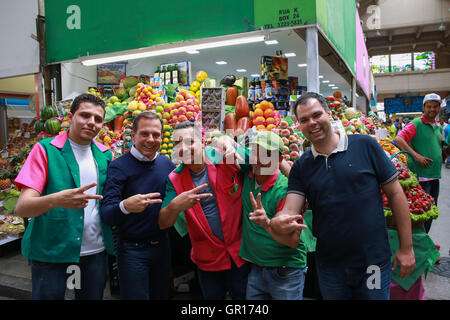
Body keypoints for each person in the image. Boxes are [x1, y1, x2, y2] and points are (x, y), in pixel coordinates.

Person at [250, 92, 415, 300]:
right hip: (330, 267)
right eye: (304, 120)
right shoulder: (302, 166)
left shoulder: (365, 145)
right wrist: (275, 221)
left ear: (329, 114)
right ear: (299, 125)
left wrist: (407, 247)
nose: (312, 123)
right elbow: (289, 210)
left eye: (317, 115)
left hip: (372, 263)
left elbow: (396, 194)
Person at [14, 93, 115, 300]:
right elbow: (22, 207)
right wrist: (56, 199)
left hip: (94, 251)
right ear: (70, 117)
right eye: (84, 115)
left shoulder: (106, 155)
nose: (91, 122)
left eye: (98, 119)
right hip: (52, 251)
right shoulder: (44, 150)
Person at [158, 121, 250, 300]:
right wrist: (177, 205)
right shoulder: (174, 178)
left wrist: (232, 144)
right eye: (178, 144)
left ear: (203, 142)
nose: (184, 148)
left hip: (240, 253)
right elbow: (163, 222)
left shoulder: (223, 157)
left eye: (190, 141)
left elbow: (259, 160)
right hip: (208, 258)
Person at [100, 111, 175, 300]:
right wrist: (125, 206)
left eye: (156, 135)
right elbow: (107, 214)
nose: (151, 139)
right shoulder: (119, 167)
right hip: (132, 250)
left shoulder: (167, 165)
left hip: (162, 246)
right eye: (144, 134)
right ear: (133, 135)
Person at [240, 131, 308, 300]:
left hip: (285, 271)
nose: (259, 158)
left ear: (279, 160)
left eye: (267, 154)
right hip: (256, 266)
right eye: (255, 152)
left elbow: (293, 241)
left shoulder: (286, 191)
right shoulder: (248, 173)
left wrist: (267, 224)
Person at [394, 93, 443, 233]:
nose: (432, 109)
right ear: (423, 107)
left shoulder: (438, 126)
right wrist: (416, 156)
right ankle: (417, 243)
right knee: (421, 212)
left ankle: (424, 239)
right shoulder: (416, 124)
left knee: (430, 211)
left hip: (434, 175)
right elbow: (398, 139)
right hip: (422, 177)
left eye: (435, 107)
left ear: (439, 108)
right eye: (429, 107)